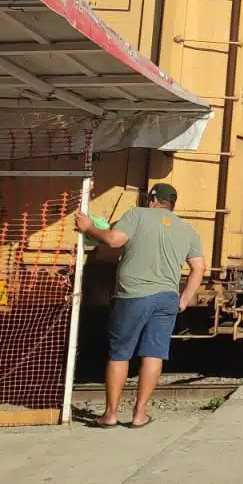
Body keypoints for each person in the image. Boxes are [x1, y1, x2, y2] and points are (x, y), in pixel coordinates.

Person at [75, 183, 206, 428]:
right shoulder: (187, 229)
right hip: (167, 297)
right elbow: (199, 268)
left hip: (133, 295)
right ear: (172, 204)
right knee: (154, 354)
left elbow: (114, 241)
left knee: (120, 353)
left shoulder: (137, 214)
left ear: (152, 199)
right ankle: (139, 414)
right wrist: (185, 298)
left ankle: (111, 414)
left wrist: (89, 227)